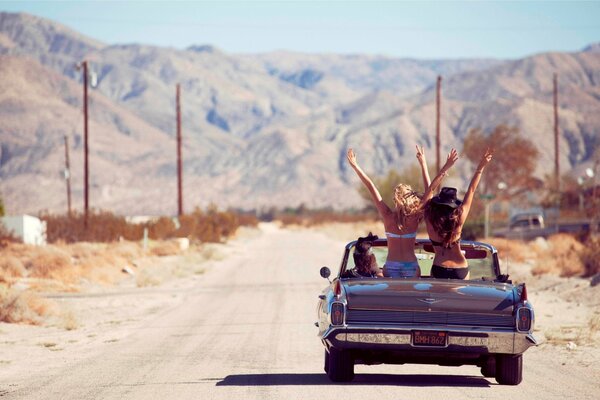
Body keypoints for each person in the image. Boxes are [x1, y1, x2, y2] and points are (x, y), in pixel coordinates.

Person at [347, 146, 458, 278]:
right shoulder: (415, 216)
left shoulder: (387, 216)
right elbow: (430, 190)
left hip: (391, 267)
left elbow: (371, 186)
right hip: (411, 266)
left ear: (396, 200)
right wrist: (432, 165)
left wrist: (355, 166)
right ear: (410, 198)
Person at [424, 149, 494, 280]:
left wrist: (445, 167)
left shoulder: (430, 219)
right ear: (454, 204)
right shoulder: (459, 217)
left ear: (438, 202)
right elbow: (471, 190)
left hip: (439, 266)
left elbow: (429, 190)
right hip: (460, 268)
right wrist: (481, 166)